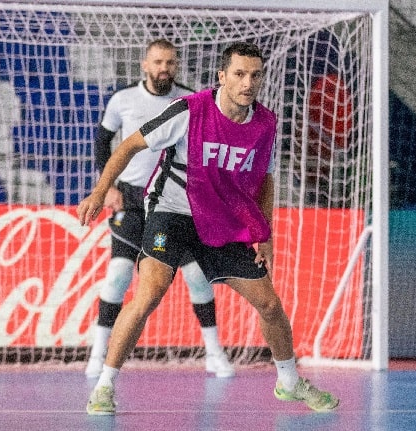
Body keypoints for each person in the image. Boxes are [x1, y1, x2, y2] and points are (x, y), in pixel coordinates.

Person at [77, 42, 339, 415]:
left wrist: (263, 235)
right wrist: (101, 191)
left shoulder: (265, 124)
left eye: (255, 75)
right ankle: (104, 385)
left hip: (222, 220)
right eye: (239, 74)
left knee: (269, 303)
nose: (248, 82)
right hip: (173, 211)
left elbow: (265, 181)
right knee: (149, 292)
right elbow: (128, 146)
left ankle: (289, 381)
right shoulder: (190, 109)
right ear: (222, 76)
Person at [85, 39, 234, 379]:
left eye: (169, 62)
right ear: (145, 64)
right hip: (131, 200)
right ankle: (97, 355)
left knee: (197, 276)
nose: (163, 68)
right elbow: (102, 141)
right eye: (157, 62)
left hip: (171, 203)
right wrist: (106, 186)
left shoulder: (190, 100)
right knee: (119, 275)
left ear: (176, 65)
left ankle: (214, 353)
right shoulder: (123, 99)